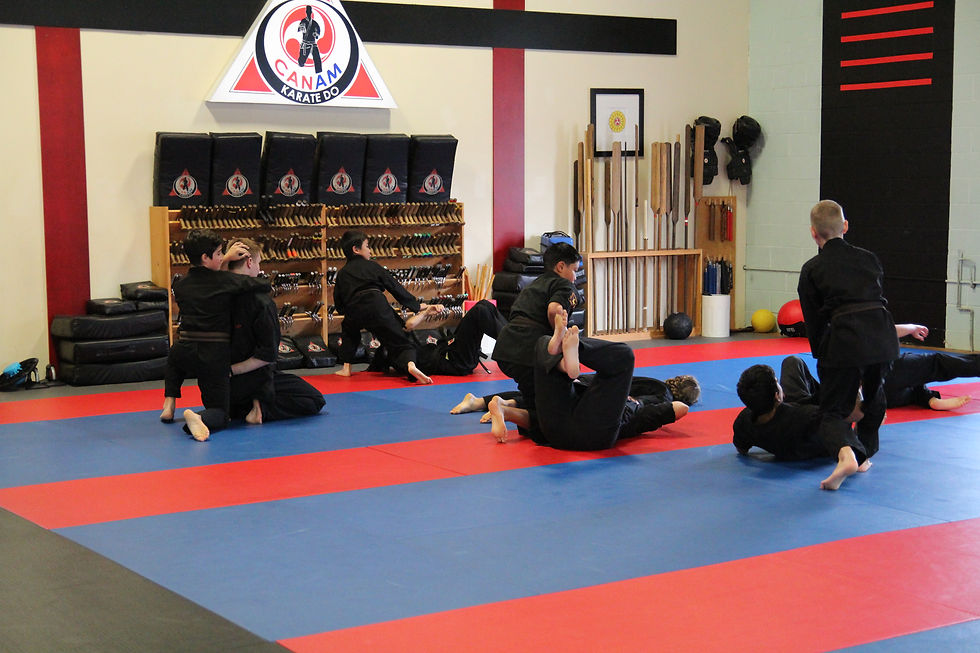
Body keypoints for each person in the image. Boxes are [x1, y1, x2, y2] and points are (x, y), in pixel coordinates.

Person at [485, 310, 697, 450]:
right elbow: (680, 409)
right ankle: (564, 359)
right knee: (545, 347)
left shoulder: (649, 398)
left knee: (624, 356)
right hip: (567, 432)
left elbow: (679, 408)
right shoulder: (639, 406)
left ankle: (568, 356)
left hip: (564, 428)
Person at [797, 199, 899, 490]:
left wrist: (823, 358)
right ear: (845, 226)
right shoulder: (869, 258)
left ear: (813, 233)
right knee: (875, 395)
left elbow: (814, 320)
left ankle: (846, 455)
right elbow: (877, 299)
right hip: (882, 336)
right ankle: (865, 454)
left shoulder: (812, 268)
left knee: (831, 412)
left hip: (844, 338)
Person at [159, 229, 270, 441]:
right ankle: (199, 418)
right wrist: (230, 266)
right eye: (219, 254)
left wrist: (224, 261)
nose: (222, 258)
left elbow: (206, 279)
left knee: (174, 357)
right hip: (213, 356)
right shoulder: (224, 281)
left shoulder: (180, 285)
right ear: (205, 257)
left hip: (185, 349)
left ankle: (169, 402)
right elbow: (262, 284)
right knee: (220, 413)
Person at [225, 237, 326, 424]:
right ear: (249, 262)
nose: (259, 268)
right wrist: (231, 370)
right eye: (258, 262)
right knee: (314, 399)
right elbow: (267, 355)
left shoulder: (216, 296)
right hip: (251, 377)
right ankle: (261, 409)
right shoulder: (261, 302)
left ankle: (240, 407)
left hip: (220, 386)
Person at [490, 242, 581, 442]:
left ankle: (504, 407)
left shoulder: (535, 284)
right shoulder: (565, 285)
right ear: (560, 267)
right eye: (574, 270)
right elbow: (555, 310)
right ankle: (505, 410)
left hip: (506, 347)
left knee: (534, 398)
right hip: (531, 348)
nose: (575, 277)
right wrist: (558, 335)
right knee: (549, 422)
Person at [333, 230, 441, 384]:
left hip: (353, 307)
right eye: (367, 246)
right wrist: (415, 305)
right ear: (356, 250)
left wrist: (346, 312)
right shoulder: (372, 266)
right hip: (376, 304)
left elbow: (338, 300)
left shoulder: (342, 273)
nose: (370, 250)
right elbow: (394, 286)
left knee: (349, 333)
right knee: (401, 339)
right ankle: (410, 365)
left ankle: (346, 368)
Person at [733, 357, 863, 462]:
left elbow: (741, 448)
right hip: (810, 434)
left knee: (792, 362)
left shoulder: (744, 420)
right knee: (846, 379)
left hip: (788, 416)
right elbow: (845, 419)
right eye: (776, 381)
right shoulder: (806, 417)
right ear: (777, 396)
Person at [370, 299, 506, 377]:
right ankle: (511, 342)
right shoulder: (400, 354)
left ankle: (513, 334)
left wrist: (427, 311)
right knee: (479, 312)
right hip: (455, 362)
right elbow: (410, 368)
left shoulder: (400, 341)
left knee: (484, 304)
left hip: (451, 352)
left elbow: (409, 324)